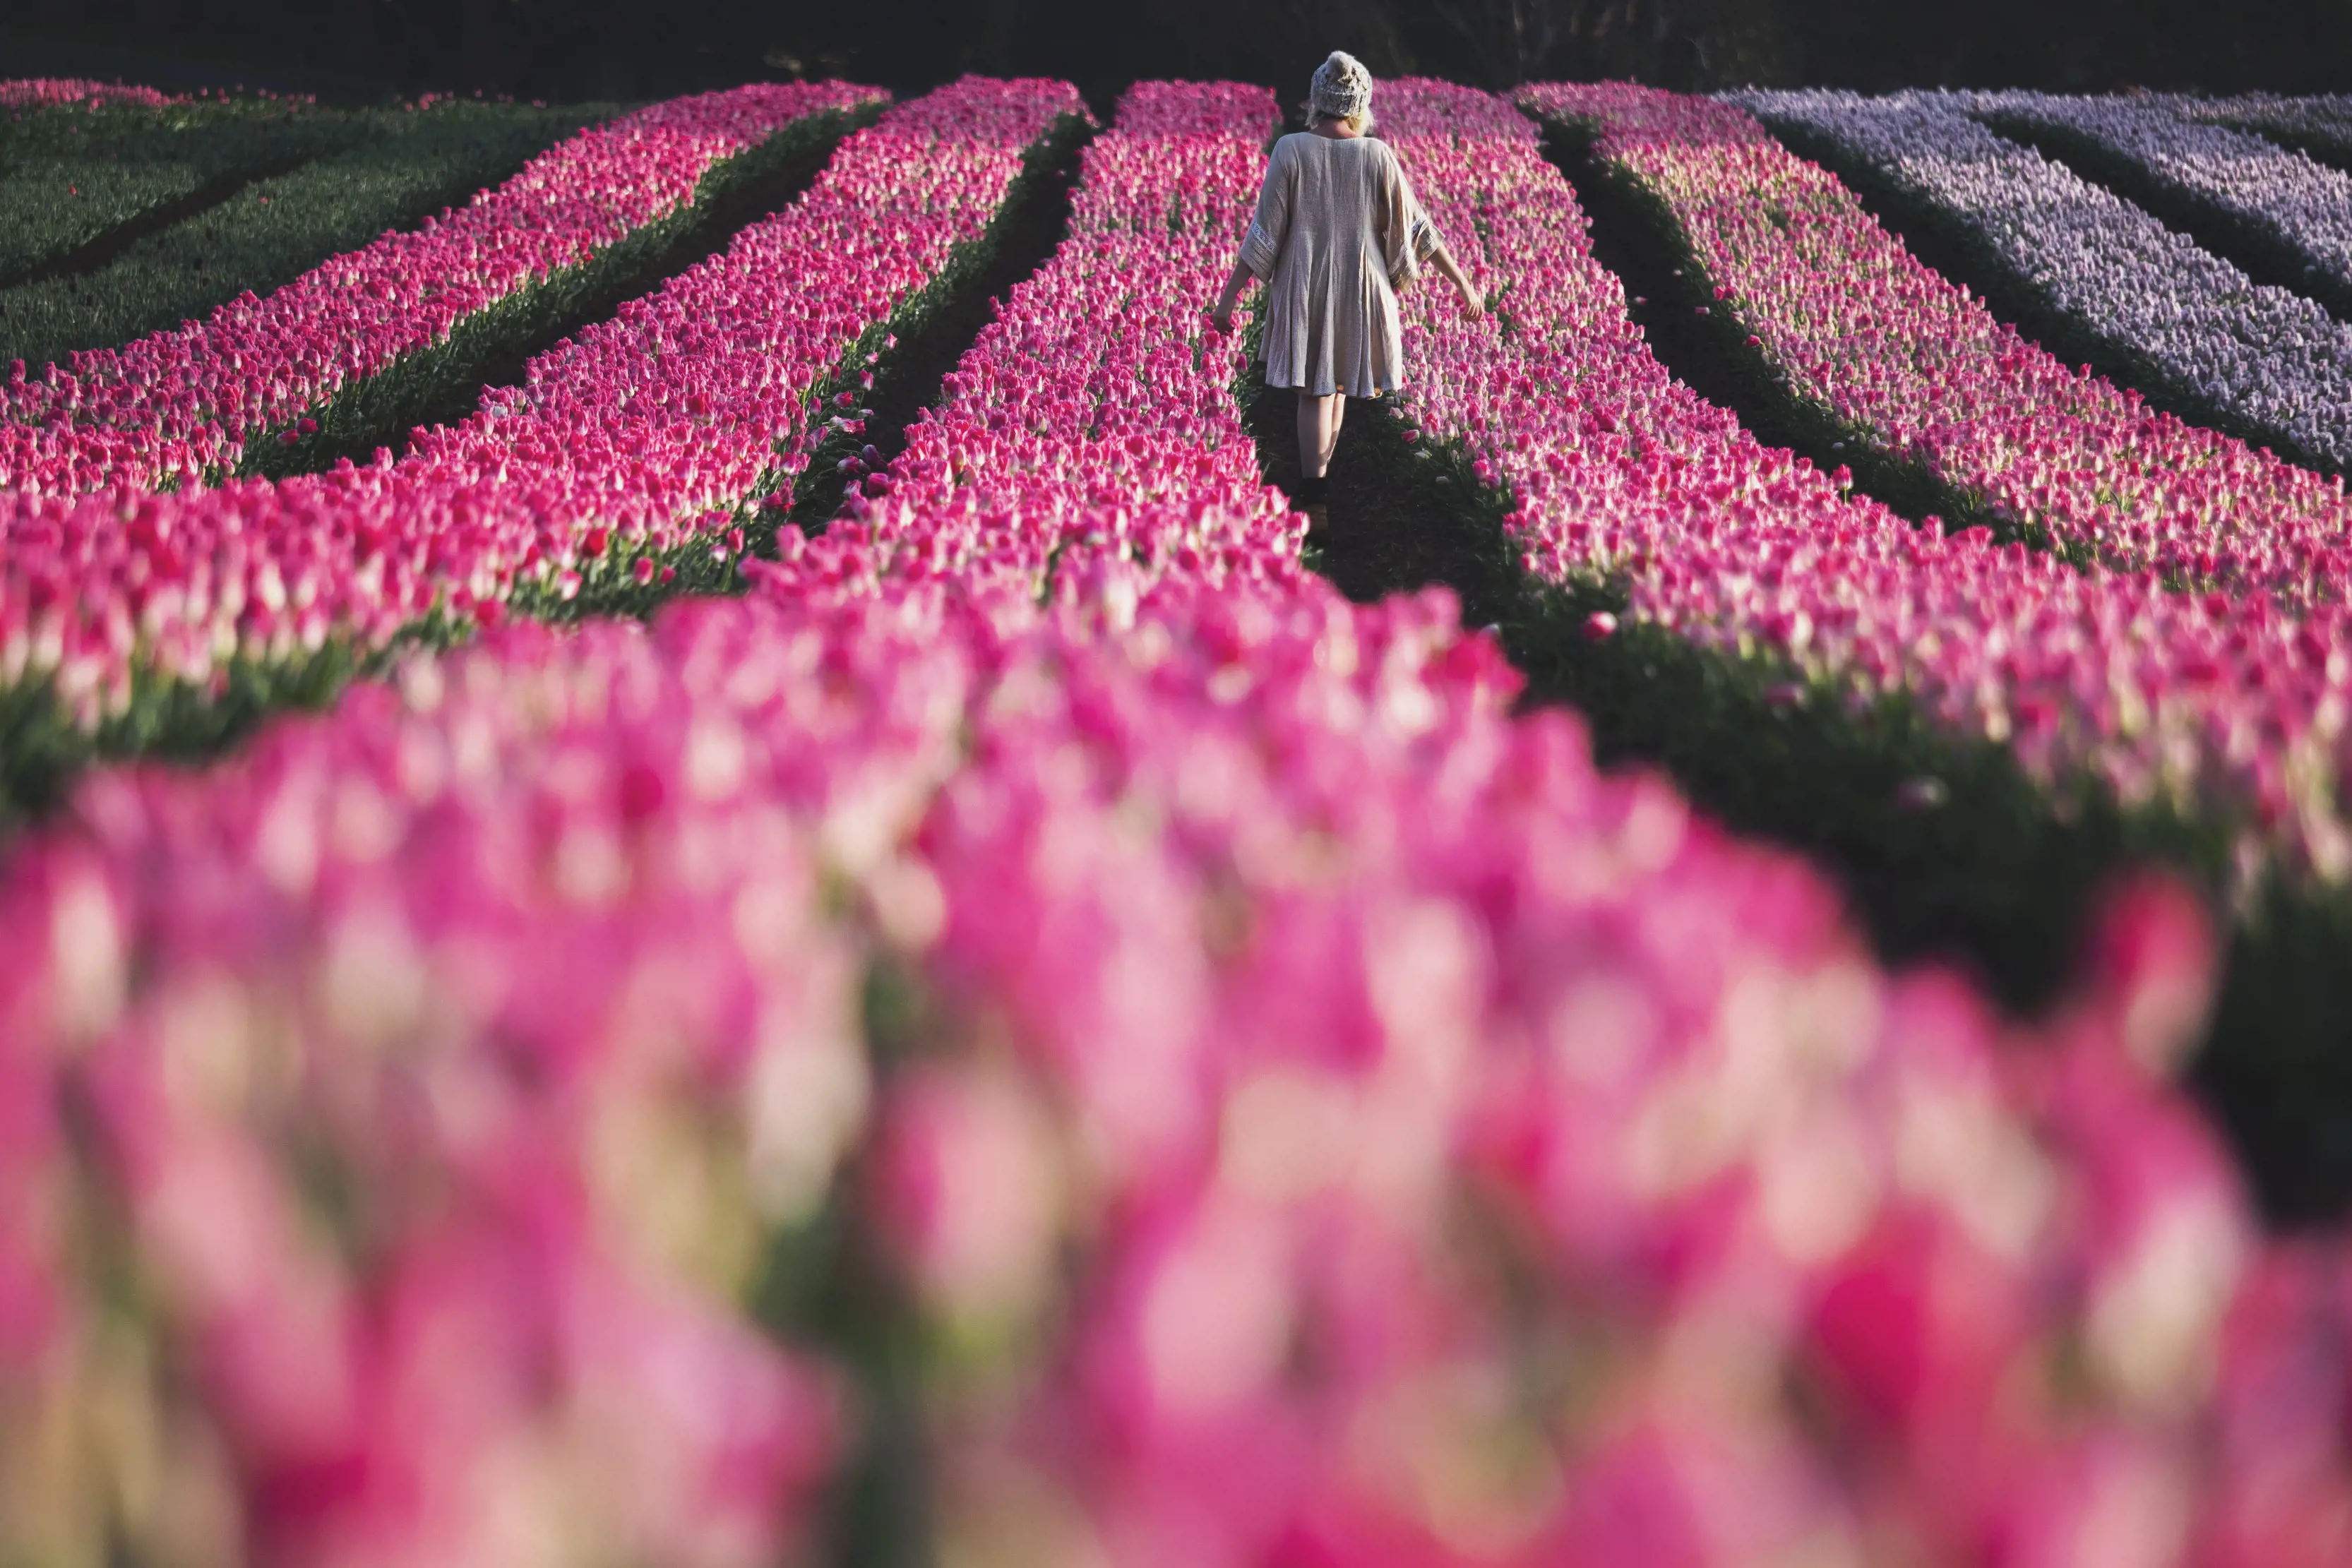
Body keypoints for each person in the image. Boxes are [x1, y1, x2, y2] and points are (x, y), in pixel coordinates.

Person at [1209, 51, 1485, 517]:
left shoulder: (1290, 150)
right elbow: (1418, 231)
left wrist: (1228, 296)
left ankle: (1314, 496)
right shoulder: (1376, 154)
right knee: (1331, 388)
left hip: (1304, 285)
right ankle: (1316, 494)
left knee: (1318, 391)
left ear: (1316, 102)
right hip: (1361, 288)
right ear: (1361, 106)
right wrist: (1463, 285)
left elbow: (1264, 232)